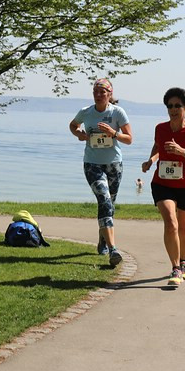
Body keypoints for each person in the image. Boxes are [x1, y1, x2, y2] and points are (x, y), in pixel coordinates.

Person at [141, 87, 185, 287]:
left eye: (178, 105)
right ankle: (175, 268)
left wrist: (183, 152)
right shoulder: (160, 128)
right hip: (162, 183)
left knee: (184, 229)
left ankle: (184, 261)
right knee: (171, 222)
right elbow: (158, 146)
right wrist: (151, 160)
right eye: (170, 106)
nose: (173, 109)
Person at [69, 77, 132, 265]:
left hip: (114, 164)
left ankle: (103, 239)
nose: (98, 95)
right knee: (104, 199)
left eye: (102, 92)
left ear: (109, 94)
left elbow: (129, 139)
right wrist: (79, 134)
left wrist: (113, 133)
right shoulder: (86, 112)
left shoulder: (118, 113)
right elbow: (73, 125)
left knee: (109, 205)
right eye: (96, 92)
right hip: (92, 163)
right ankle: (113, 250)